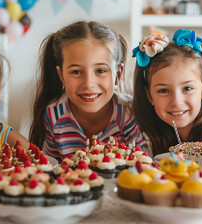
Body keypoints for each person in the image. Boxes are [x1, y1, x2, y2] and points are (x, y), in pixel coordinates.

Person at [29, 20, 146, 160]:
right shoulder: (53, 115)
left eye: (101, 70)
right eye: (76, 72)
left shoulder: (130, 112)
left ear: (118, 74)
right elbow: (52, 167)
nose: (89, 83)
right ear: (61, 75)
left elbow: (141, 166)